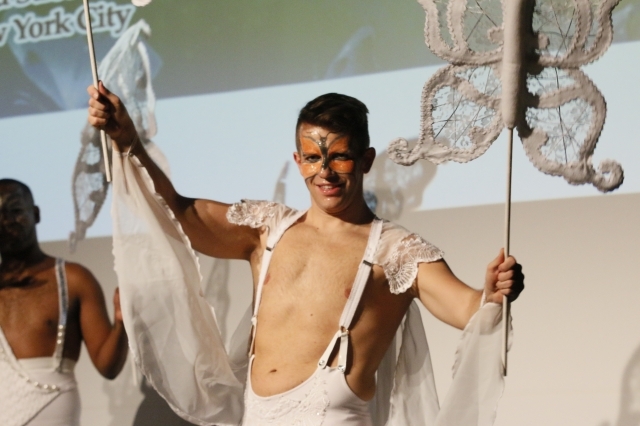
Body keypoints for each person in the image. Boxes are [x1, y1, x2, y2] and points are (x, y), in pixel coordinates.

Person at [87, 83, 524, 426]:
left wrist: (492, 292)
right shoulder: (267, 230)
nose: (325, 172)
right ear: (298, 160)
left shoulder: (395, 251)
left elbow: (468, 308)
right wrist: (130, 142)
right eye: (314, 158)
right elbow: (179, 212)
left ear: (367, 159)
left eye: (340, 157)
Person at [0, 179, 129, 426]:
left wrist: (121, 323)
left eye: (15, 210)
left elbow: (108, 367)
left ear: (35, 213)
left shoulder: (74, 279)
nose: (5, 221)